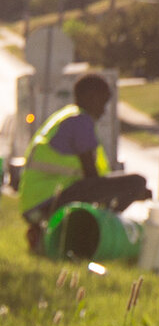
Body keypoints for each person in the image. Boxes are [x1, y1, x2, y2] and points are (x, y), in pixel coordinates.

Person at [19, 73, 151, 251]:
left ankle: (48, 234)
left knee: (129, 186)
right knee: (137, 181)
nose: (104, 110)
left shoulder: (67, 116)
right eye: (103, 102)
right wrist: (132, 191)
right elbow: (92, 178)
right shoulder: (80, 121)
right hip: (49, 200)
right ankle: (92, 232)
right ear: (90, 97)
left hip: (35, 202)